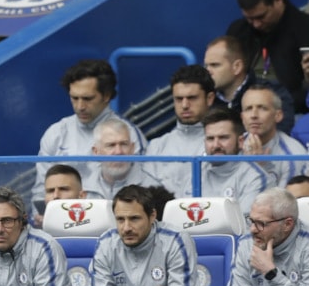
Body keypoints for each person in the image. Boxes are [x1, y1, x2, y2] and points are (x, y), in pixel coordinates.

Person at [82, 185, 211, 286]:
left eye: (134, 219)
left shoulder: (175, 240)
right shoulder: (107, 243)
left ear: (152, 216)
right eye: (120, 219)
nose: (126, 228)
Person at [32, 59, 147, 204]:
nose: (80, 106)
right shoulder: (56, 133)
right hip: (63, 215)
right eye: (74, 98)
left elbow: (139, 191)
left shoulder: (129, 135)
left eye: (87, 98)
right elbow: (41, 191)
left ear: (106, 96)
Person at [222, 188, 309, 286]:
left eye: (261, 223)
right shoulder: (247, 243)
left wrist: (271, 274)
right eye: (251, 221)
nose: (252, 229)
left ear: (287, 224)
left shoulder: (306, 245)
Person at [226, 0, 309, 113]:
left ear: (278, 0)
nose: (256, 24)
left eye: (261, 17)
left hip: (292, 111)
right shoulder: (238, 31)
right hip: (241, 111)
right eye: (249, 19)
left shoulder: (305, 28)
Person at [146, 65, 215, 198]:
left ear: (209, 98)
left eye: (192, 98)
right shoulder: (156, 147)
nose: (184, 105)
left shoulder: (222, 144)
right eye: (178, 99)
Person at [204, 35, 294, 133]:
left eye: (215, 65)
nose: (208, 71)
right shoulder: (204, 97)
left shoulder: (272, 91)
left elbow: (281, 130)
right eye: (206, 66)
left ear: (237, 67)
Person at [201, 107, 270, 216]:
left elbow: (244, 224)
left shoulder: (256, 178)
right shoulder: (195, 174)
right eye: (210, 139)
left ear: (241, 141)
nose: (216, 145)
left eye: (223, 138)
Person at [241, 83, 308, 188]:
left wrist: (259, 169)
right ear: (242, 117)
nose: (254, 115)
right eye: (248, 108)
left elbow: (285, 198)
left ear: (278, 116)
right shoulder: (230, 145)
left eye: (262, 108)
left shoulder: (293, 155)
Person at [82, 118, 161, 200]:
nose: (118, 151)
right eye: (111, 145)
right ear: (96, 152)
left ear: (132, 149)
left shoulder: (153, 188)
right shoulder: (83, 187)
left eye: (124, 144)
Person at [33, 163, 87, 229]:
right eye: (50, 191)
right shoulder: (34, 230)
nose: (56, 196)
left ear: (81, 196)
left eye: (63, 189)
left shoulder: (95, 226)